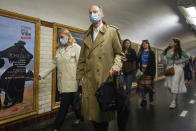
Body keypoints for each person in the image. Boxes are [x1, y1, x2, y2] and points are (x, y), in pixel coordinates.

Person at [76, 5, 124, 131]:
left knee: (102, 114)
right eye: (90, 12)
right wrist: (79, 77)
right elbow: (82, 59)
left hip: (104, 78)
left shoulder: (111, 32)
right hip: (89, 80)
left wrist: (116, 67)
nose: (92, 14)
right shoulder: (86, 35)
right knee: (92, 114)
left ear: (102, 14)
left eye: (95, 12)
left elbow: (119, 54)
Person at [38, 28, 82, 131]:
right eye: (59, 38)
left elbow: (81, 65)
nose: (61, 39)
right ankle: (80, 117)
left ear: (68, 36)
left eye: (62, 37)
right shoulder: (59, 50)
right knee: (74, 105)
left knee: (63, 107)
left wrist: (81, 82)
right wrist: (42, 74)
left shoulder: (76, 48)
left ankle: (55, 127)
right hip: (62, 83)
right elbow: (53, 63)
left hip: (73, 83)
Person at [163, 37, 189, 109]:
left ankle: (173, 101)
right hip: (169, 68)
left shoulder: (181, 51)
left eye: (171, 41)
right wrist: (165, 60)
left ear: (175, 43)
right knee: (168, 85)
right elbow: (163, 56)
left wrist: (179, 61)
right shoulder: (168, 51)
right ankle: (174, 95)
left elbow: (187, 58)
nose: (169, 42)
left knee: (175, 83)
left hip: (177, 69)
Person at [136, 40, 156, 107]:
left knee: (149, 86)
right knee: (142, 86)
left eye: (146, 43)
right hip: (142, 72)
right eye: (143, 44)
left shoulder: (151, 52)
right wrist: (138, 67)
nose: (144, 45)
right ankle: (144, 99)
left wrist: (153, 74)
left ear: (148, 44)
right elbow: (137, 61)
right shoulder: (140, 52)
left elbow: (153, 63)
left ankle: (151, 96)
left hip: (149, 71)